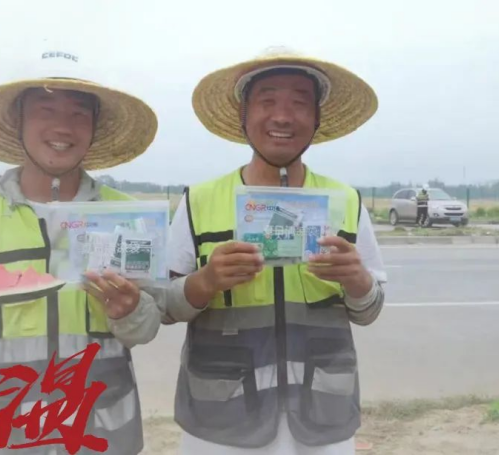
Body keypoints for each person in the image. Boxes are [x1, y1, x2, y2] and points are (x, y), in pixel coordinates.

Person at [0, 50, 162, 455]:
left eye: (78, 114)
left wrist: (130, 312)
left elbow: (147, 328)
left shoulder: (126, 217)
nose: (62, 126)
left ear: (93, 128)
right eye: (45, 110)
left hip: (97, 437)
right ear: (17, 121)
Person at [164, 47, 387, 454]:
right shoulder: (198, 201)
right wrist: (205, 281)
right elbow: (166, 307)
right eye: (267, 101)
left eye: (299, 103)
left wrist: (358, 281)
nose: (282, 117)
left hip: (323, 417)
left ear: (317, 119)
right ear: (243, 115)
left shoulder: (346, 202)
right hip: (221, 421)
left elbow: (369, 311)